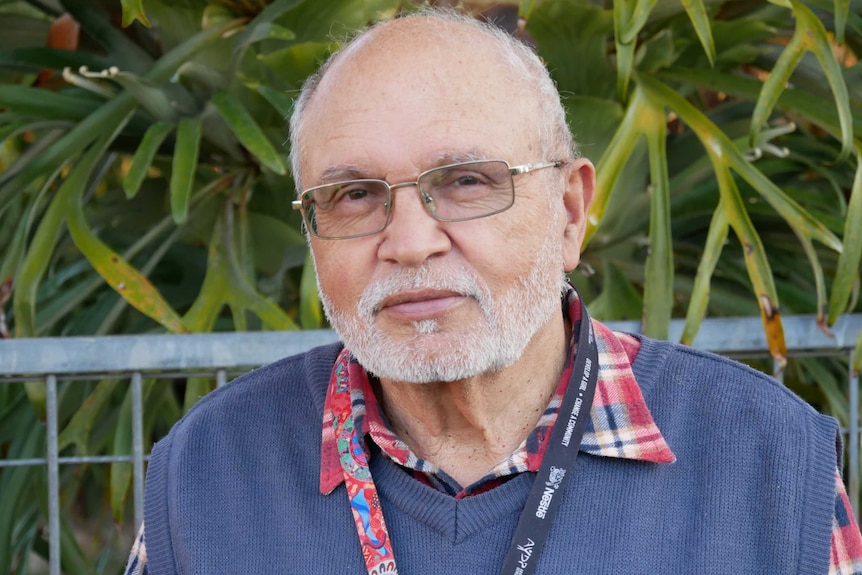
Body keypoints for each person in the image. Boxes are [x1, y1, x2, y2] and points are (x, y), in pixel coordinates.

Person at [124, 9, 862, 575]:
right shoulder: (205, 474)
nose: (410, 242)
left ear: (570, 212)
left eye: (467, 181)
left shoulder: (769, 464)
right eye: (353, 194)